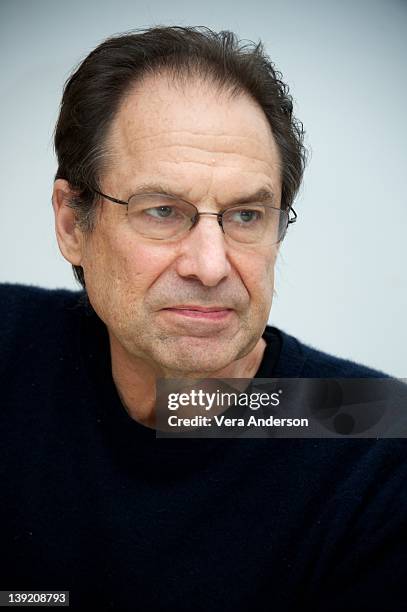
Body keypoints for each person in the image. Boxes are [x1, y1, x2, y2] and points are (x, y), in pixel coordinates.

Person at [0, 26, 405, 611]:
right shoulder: (11, 347)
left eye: (245, 215)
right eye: (162, 211)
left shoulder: (375, 434)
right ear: (71, 224)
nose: (211, 266)